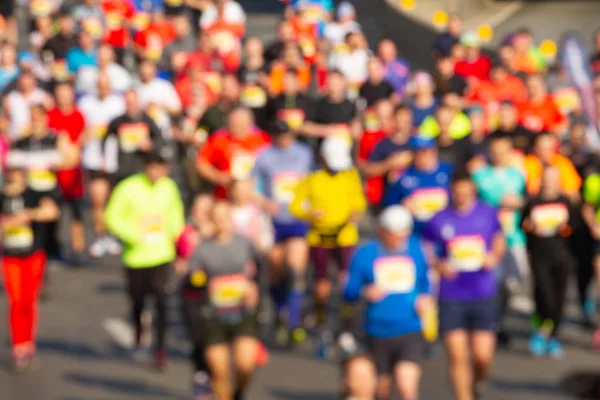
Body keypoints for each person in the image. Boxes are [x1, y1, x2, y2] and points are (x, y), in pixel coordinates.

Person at [424, 172, 506, 400]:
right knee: (458, 356)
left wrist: (494, 257)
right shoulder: (440, 218)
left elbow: (499, 240)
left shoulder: (487, 214)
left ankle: (478, 381)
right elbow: (426, 247)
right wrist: (439, 264)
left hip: (482, 292)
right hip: (451, 294)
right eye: (457, 193)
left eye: (466, 193)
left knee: (482, 356)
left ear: (473, 192)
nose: (461, 197)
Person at [105, 150, 185, 371]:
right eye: (154, 167)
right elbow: (112, 216)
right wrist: (133, 235)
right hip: (136, 255)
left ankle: (160, 349)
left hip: (162, 253)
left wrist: (175, 236)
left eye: (162, 167)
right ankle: (139, 331)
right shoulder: (128, 188)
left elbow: (176, 213)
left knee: (162, 300)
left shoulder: (169, 187)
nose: (158, 172)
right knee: (138, 299)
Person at [344, 205, 432, 399]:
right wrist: (364, 291)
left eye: (402, 234)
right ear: (381, 230)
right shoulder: (365, 254)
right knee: (382, 390)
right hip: (376, 330)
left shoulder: (416, 249)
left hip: (410, 328)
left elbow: (426, 281)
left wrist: (425, 297)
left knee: (406, 386)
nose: (398, 239)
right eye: (393, 234)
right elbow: (349, 291)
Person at [290, 136, 367, 358]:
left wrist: (355, 212)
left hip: (344, 236)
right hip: (320, 237)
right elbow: (296, 205)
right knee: (322, 285)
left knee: (347, 283)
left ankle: (346, 329)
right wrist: (308, 214)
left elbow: (359, 202)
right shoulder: (313, 179)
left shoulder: (350, 176)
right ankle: (322, 323)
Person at [187, 200, 264, 400]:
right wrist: (204, 282)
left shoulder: (244, 244)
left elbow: (260, 269)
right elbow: (191, 279)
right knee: (220, 372)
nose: (222, 223)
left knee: (245, 365)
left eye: (226, 218)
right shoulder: (203, 249)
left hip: (243, 312)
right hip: (214, 316)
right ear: (211, 221)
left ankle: (238, 393)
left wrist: (253, 287)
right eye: (217, 219)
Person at [252, 120, 313, 345]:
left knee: (296, 268)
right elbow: (253, 185)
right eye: (279, 135)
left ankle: (294, 321)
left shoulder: (304, 154)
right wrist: (263, 202)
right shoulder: (264, 156)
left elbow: (312, 181)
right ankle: (279, 312)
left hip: (297, 220)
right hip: (274, 221)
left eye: (287, 134)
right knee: (276, 267)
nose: (284, 139)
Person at [1, 165, 60, 372]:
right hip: (10, 255)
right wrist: (8, 223)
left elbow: (52, 211)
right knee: (15, 300)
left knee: (29, 299)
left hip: (33, 253)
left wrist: (30, 214)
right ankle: (18, 344)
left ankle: (28, 341)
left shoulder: (34, 194)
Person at [471, 135, 527, 348]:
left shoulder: (518, 175)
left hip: (513, 237)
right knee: (492, 283)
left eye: (504, 149)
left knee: (514, 282)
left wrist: (519, 202)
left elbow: (526, 199)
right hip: (489, 239)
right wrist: (498, 201)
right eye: (495, 149)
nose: (499, 154)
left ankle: (498, 318)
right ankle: (493, 325)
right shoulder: (479, 174)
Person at [521, 165, 574, 358]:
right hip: (539, 254)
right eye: (547, 177)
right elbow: (523, 224)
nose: (550, 181)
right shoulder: (533, 201)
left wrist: (564, 228)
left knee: (559, 297)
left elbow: (573, 229)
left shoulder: (565, 201)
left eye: (554, 178)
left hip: (561, 255)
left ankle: (552, 335)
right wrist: (530, 227)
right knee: (544, 293)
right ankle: (540, 327)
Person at [78, 73, 126, 258]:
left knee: (113, 199)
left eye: (107, 84)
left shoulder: (118, 103)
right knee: (98, 199)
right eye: (100, 84)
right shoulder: (86, 103)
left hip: (115, 158)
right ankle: (100, 234)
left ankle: (112, 234)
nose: (103, 87)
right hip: (93, 158)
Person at [177, 194, 216, 399]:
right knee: (198, 337)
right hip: (191, 293)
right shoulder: (185, 232)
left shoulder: (220, 235)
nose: (203, 214)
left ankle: (215, 376)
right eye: (199, 209)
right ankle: (201, 375)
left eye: (207, 209)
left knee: (215, 340)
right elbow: (176, 257)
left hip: (217, 295)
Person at [383, 136, 452, 235]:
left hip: (445, 230)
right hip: (416, 232)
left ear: (434, 152)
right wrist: (402, 206)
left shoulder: (449, 171)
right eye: (417, 152)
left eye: (425, 152)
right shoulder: (403, 176)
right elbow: (390, 204)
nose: (421, 156)